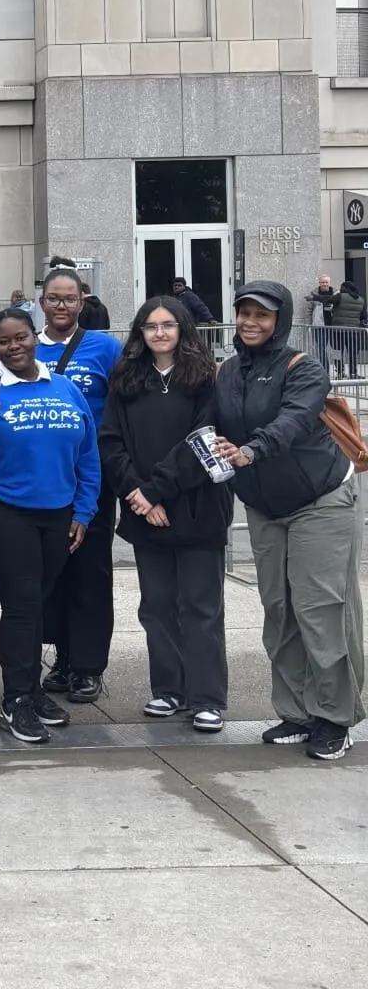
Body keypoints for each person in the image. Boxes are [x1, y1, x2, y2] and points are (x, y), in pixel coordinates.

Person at [212, 281, 365, 761]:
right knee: (279, 611)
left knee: (321, 610)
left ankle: (335, 716)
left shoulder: (305, 368)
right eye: (244, 313)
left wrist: (251, 450)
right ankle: (297, 712)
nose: (250, 322)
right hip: (265, 507)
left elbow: (294, 420)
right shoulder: (227, 372)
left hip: (320, 500)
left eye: (262, 315)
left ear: (279, 321)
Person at [0, 306, 100, 745]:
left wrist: (83, 512)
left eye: (21, 337)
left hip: (58, 512)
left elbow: (88, 454)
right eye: (4, 341)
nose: (14, 347)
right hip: (0, 510)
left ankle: (30, 690)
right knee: (23, 602)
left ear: (35, 337)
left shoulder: (65, 387)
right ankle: (15, 702)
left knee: (34, 604)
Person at [98, 298, 232, 732]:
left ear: (183, 328)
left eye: (168, 325)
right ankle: (169, 690)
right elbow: (110, 442)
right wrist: (136, 493)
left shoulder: (206, 379)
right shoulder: (126, 379)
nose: (159, 333)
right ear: (140, 332)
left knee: (201, 607)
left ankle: (206, 698)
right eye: (151, 326)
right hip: (144, 510)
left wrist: (154, 491)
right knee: (156, 606)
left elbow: (204, 440)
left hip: (197, 508)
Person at [35, 265, 123, 701]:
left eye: (70, 298)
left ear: (82, 302)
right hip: (42, 481)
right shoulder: (25, 346)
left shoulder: (105, 348)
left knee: (90, 571)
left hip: (92, 478)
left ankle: (88, 666)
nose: (62, 306)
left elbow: (125, 404)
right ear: (41, 302)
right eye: (54, 298)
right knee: (52, 574)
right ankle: (64, 658)